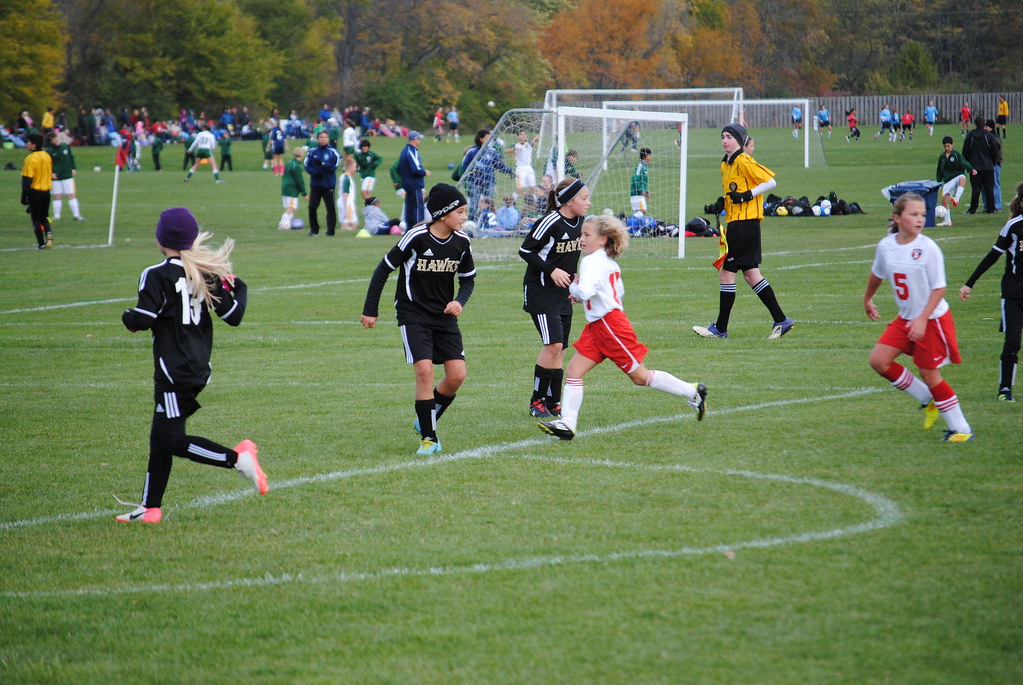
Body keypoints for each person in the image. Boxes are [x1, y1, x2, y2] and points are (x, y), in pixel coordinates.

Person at [116, 207, 268, 523]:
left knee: (172, 439)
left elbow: (143, 319)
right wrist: (240, 286)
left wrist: (128, 317)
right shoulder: (204, 273)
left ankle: (237, 459)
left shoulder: (156, 274)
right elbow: (234, 316)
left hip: (173, 372)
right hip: (198, 367)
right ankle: (150, 507)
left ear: (161, 239)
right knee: (160, 436)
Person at [537, 214, 707, 441]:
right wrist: (583, 293)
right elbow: (616, 291)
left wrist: (576, 289)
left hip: (610, 326)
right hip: (600, 325)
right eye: (581, 235)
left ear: (603, 239)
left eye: (587, 235)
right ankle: (567, 424)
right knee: (574, 371)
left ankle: (693, 391)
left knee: (640, 377)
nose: (582, 239)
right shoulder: (607, 262)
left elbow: (586, 291)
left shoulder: (591, 261)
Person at [360, 184, 477, 456]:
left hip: (444, 317)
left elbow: (468, 280)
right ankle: (429, 437)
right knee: (424, 372)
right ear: (442, 214)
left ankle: (426, 418)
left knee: (457, 375)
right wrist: (370, 310)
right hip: (413, 315)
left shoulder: (462, 242)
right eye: (460, 212)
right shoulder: (416, 237)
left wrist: (459, 301)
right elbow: (383, 269)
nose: (463, 217)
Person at [864, 193, 973, 442]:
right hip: (906, 318)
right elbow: (877, 273)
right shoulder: (887, 245)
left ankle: (962, 430)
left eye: (923, 214)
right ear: (897, 218)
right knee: (879, 361)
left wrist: (923, 319)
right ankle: (927, 399)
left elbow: (939, 288)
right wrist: (868, 299)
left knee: (930, 374)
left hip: (932, 319)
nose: (920, 219)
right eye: (913, 214)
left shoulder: (928, 249)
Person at [694, 124, 793, 340]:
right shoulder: (725, 163)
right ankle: (781, 320)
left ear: (739, 140)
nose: (724, 140)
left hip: (745, 224)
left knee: (727, 273)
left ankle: (720, 329)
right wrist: (721, 203)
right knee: (751, 274)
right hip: (736, 223)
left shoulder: (743, 159)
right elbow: (731, 191)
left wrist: (748, 194)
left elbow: (770, 182)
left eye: (729, 136)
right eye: (722, 137)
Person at [519, 177, 590, 419]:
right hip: (540, 291)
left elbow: (571, 256)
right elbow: (525, 250)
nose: (588, 202)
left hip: (563, 293)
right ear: (569, 201)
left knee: (560, 349)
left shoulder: (580, 222)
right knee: (553, 345)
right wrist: (551, 270)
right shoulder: (550, 221)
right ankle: (536, 400)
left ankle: (553, 401)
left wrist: (575, 280)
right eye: (584, 198)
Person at [959, 181, 1023, 402]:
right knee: (1013, 342)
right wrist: (970, 283)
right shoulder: (1014, 226)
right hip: (1013, 295)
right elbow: (993, 255)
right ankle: (1005, 389)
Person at [460, 128, 515, 223]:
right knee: (474, 203)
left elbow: (499, 165)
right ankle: (471, 223)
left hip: (489, 182)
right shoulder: (472, 151)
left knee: (489, 203)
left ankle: (486, 223)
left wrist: (509, 171)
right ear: (481, 139)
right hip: (474, 181)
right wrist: (473, 167)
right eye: (486, 137)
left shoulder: (492, 151)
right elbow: (464, 165)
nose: (489, 139)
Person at [304, 129, 341, 236]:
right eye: (321, 137)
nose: (323, 139)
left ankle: (330, 231)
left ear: (328, 139)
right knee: (312, 207)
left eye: (325, 137)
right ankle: (314, 230)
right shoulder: (312, 151)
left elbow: (334, 167)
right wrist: (315, 173)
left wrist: (323, 164)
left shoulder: (333, 152)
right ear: (317, 139)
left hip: (328, 185)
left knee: (330, 208)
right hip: (316, 185)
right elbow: (307, 165)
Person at [20, 133, 53, 250]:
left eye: (28, 142)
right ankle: (49, 233)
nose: (26, 144)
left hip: (35, 192)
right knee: (44, 216)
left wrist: (25, 197)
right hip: (47, 192)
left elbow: (27, 179)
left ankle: (41, 243)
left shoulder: (30, 159)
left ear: (34, 144)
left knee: (35, 218)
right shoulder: (47, 156)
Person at [936, 135, 974, 225]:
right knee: (944, 200)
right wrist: (938, 182)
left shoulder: (956, 154)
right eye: (945, 146)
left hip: (956, 177)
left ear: (952, 145)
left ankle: (956, 199)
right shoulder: (942, 156)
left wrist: (971, 169)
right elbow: (939, 170)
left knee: (962, 177)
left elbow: (964, 163)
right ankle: (947, 221)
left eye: (948, 146)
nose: (947, 148)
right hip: (947, 181)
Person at [962, 116, 997, 215]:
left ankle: (972, 209)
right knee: (989, 188)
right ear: (984, 124)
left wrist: (968, 164)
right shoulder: (989, 136)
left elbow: (965, 151)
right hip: (988, 167)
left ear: (975, 124)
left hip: (975, 167)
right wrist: (992, 162)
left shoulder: (971, 136)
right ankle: (991, 209)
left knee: (975, 189)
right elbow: (994, 151)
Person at [46, 131, 83, 222]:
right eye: (53, 139)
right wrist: (51, 173)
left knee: (71, 195)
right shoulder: (49, 151)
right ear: (50, 141)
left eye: (56, 138)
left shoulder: (65, 146)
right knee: (57, 196)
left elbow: (71, 158)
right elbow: (47, 164)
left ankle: (76, 215)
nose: (55, 140)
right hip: (56, 177)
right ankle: (57, 216)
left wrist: (73, 168)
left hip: (67, 175)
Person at [398, 131, 430, 227]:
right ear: (415, 139)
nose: (420, 141)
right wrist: (424, 172)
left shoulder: (405, 151)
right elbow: (415, 169)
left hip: (408, 185)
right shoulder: (411, 151)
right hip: (414, 185)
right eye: (419, 139)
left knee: (410, 210)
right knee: (417, 211)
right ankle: (417, 230)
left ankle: (410, 230)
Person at [279, 146, 308, 230]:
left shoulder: (289, 163)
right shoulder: (296, 166)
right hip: (291, 190)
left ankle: (286, 223)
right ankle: (283, 224)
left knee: (291, 208)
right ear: (302, 155)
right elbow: (299, 181)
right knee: (291, 208)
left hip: (285, 188)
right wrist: (304, 193)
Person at [511, 130, 540, 195]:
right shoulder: (516, 145)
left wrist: (535, 138)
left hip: (529, 168)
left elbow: (533, 143)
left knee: (533, 187)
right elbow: (506, 150)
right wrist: (515, 149)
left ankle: (533, 202)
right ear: (518, 137)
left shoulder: (528, 144)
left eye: (525, 134)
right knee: (519, 189)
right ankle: (512, 202)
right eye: (521, 134)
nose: (523, 135)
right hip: (520, 169)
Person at [986, 119, 1003, 212]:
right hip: (992, 164)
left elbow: (997, 153)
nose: (984, 128)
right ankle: (992, 205)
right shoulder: (991, 136)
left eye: (986, 126)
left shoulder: (994, 138)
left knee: (995, 185)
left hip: (995, 164)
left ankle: (998, 206)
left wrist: (993, 163)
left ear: (990, 127)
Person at [338, 156, 359, 231]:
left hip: (346, 202)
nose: (355, 169)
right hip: (346, 202)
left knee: (354, 223)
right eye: (355, 167)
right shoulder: (346, 178)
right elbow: (345, 193)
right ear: (350, 167)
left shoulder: (343, 176)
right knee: (347, 224)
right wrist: (346, 208)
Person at [629, 148, 651, 216]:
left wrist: (646, 192)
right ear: (644, 157)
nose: (650, 157)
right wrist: (641, 190)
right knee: (643, 211)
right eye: (649, 155)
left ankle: (631, 223)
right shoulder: (640, 166)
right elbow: (635, 179)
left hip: (639, 194)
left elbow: (643, 182)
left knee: (641, 212)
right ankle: (629, 221)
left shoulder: (644, 166)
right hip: (636, 194)